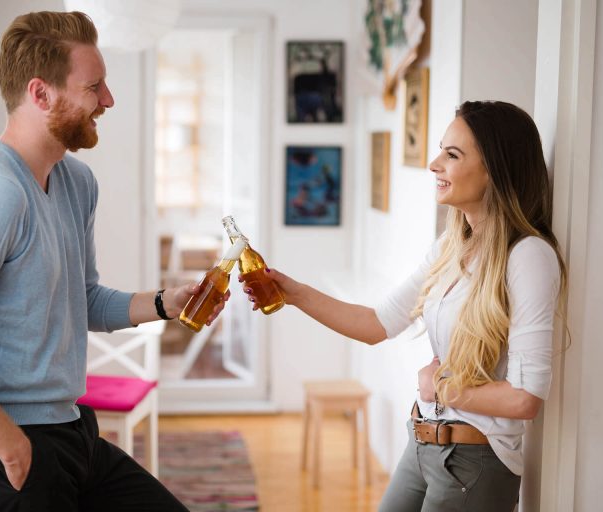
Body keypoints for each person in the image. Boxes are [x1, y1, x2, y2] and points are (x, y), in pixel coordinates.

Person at [0, 11, 227, 512]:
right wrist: (10, 445)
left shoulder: (77, 183)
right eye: (94, 86)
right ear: (41, 94)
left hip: (71, 429)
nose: (108, 100)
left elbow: (84, 298)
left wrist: (165, 303)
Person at [241, 101, 567, 511]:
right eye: (440, 151)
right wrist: (295, 294)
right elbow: (377, 324)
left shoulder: (528, 256)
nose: (434, 164)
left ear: (494, 170)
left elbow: (525, 400)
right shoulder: (451, 248)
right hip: (422, 443)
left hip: (475, 462)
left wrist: (442, 386)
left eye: (452, 155)